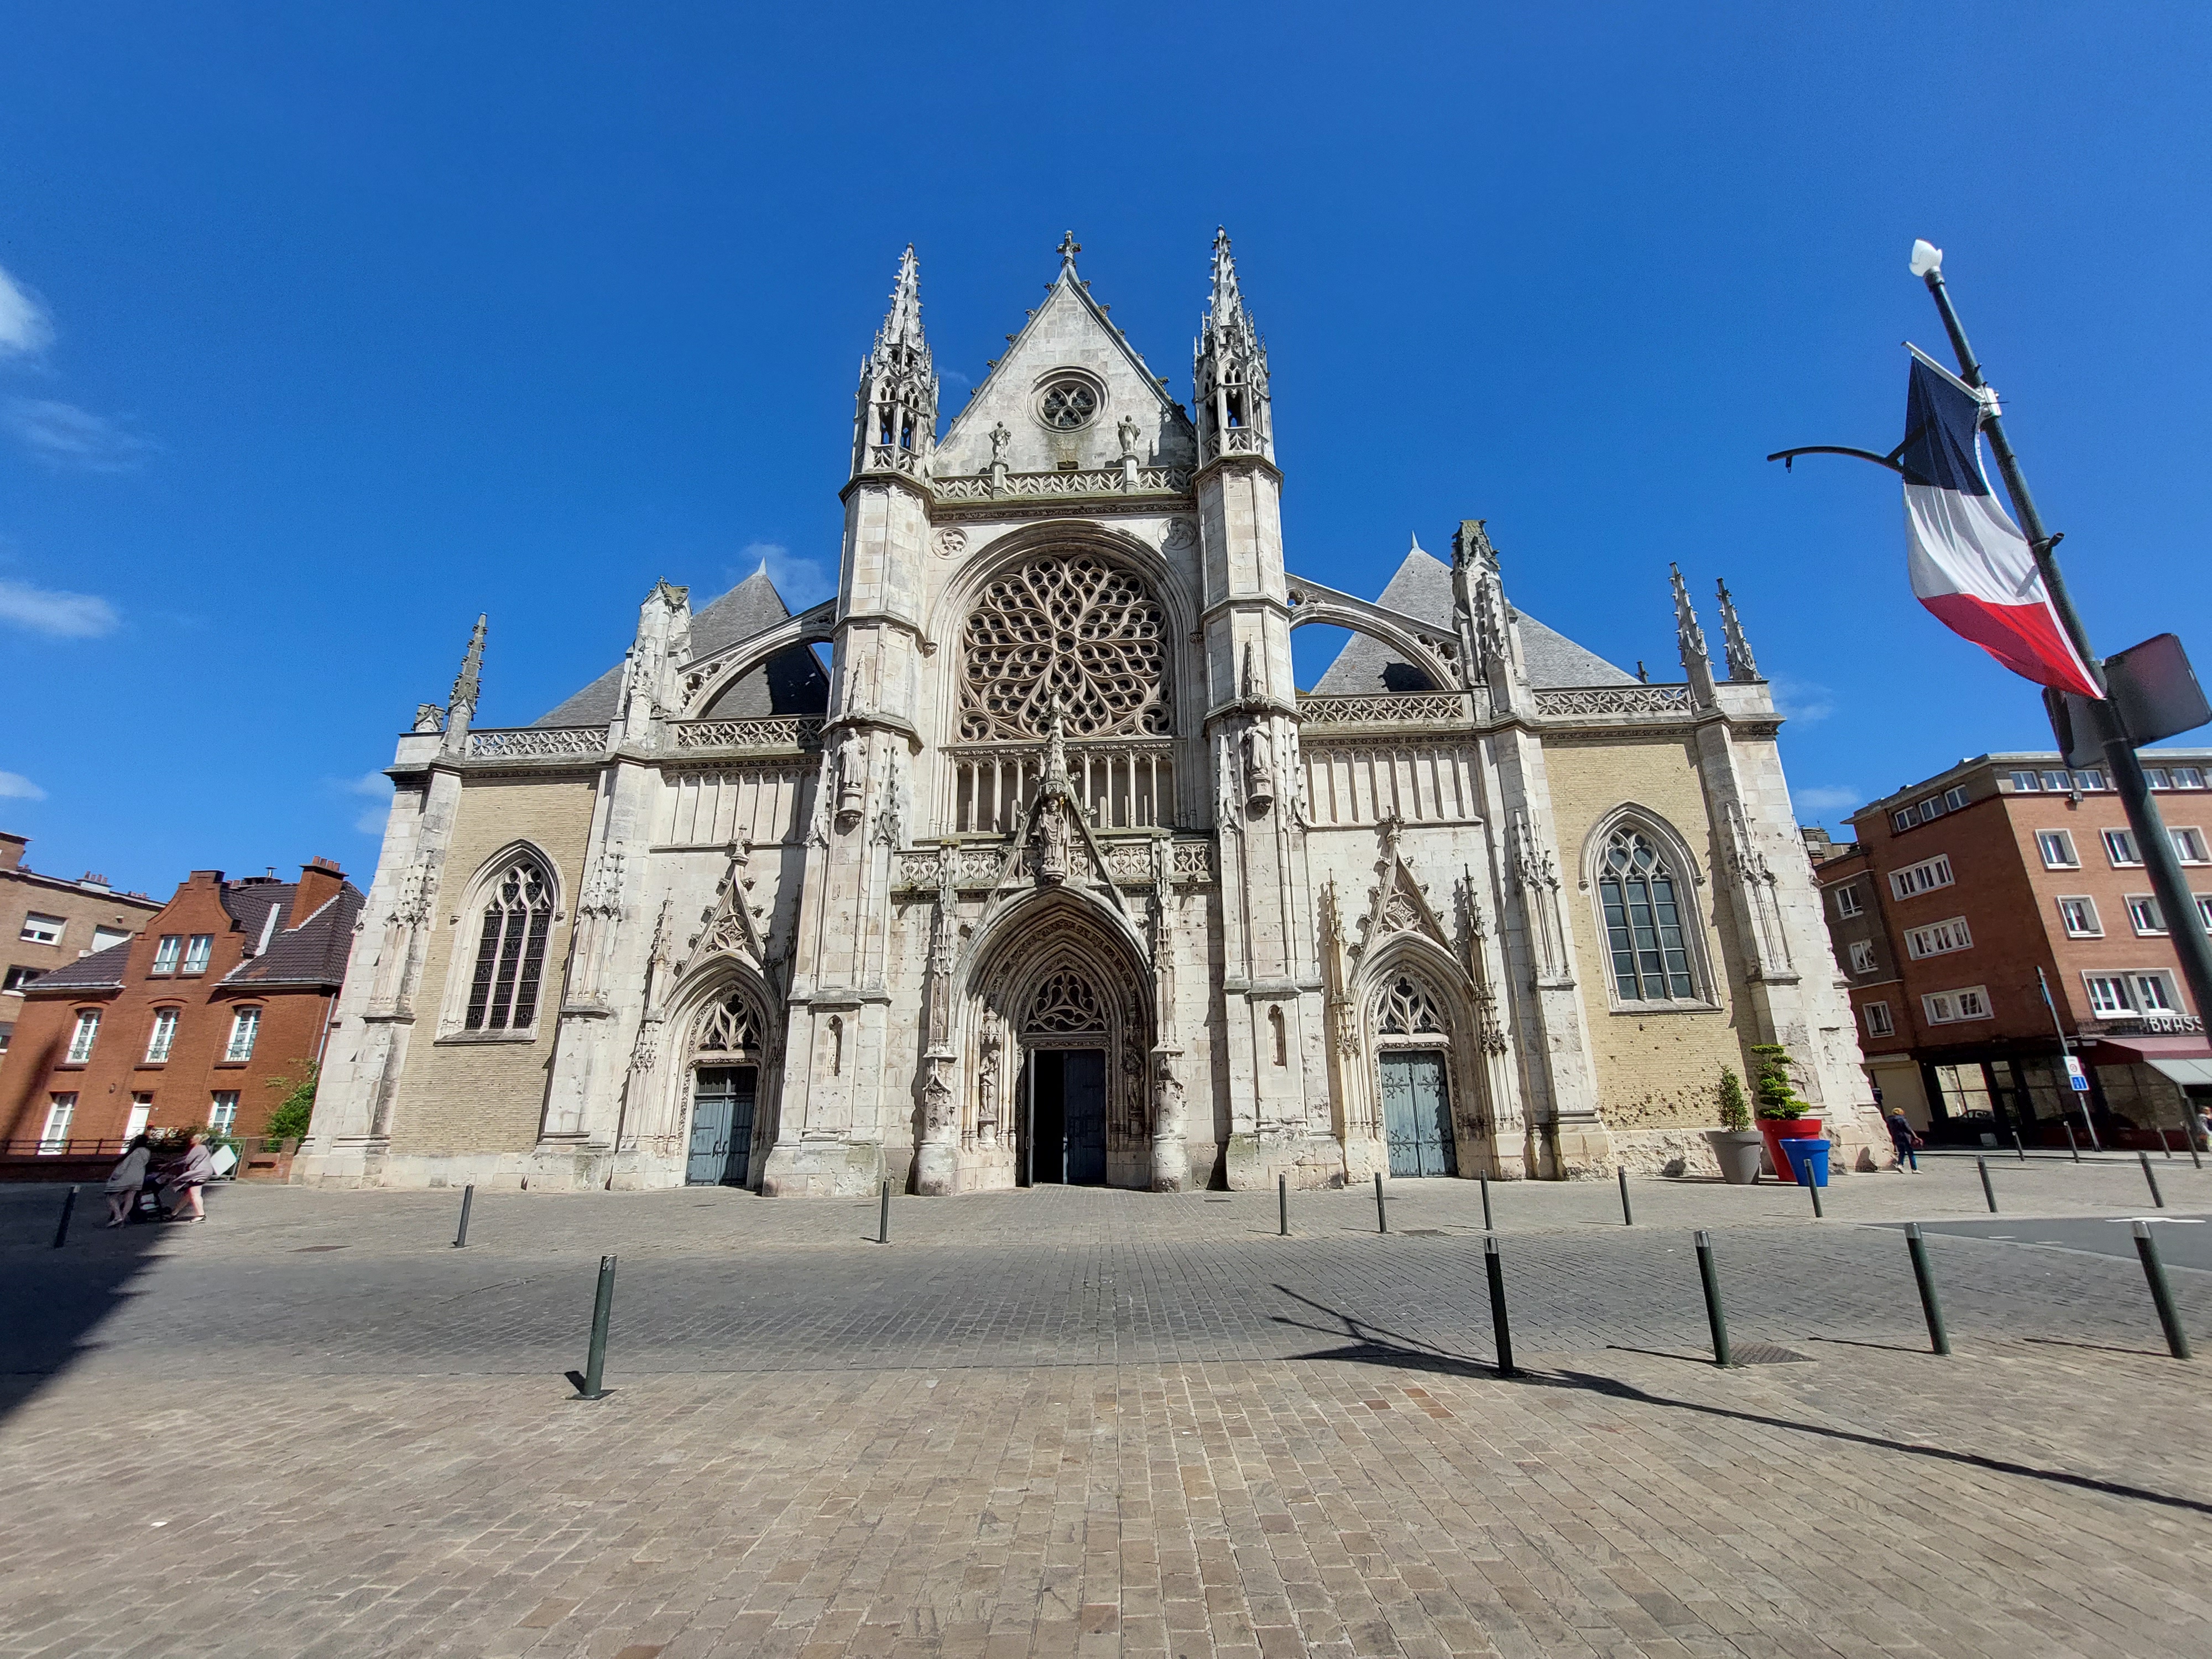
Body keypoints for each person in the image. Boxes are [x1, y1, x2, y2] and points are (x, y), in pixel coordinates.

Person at [164, 1133, 216, 1222]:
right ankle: (174, 1213)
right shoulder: (202, 1148)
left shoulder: (198, 1148)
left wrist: (172, 1164)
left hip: (199, 1173)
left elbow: (187, 1160)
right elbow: (186, 1158)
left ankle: (201, 1215)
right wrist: (171, 1163)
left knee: (195, 1194)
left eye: (193, 1138)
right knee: (188, 1194)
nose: (191, 1140)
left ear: (197, 1140)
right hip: (203, 1172)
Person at [103, 1135, 153, 1227]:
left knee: (112, 1196)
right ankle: (123, 1218)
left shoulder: (134, 1153)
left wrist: (115, 1176)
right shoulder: (147, 1152)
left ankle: (118, 1216)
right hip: (138, 1178)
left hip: (126, 1177)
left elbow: (124, 1166)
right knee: (130, 1198)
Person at [1885, 1107, 1922, 1172]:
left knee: (1901, 1152)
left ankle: (1900, 1164)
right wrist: (1915, 1137)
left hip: (1897, 1138)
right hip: (1905, 1137)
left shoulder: (1890, 1121)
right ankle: (1914, 1169)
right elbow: (1908, 1129)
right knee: (1911, 1153)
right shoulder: (1902, 1119)